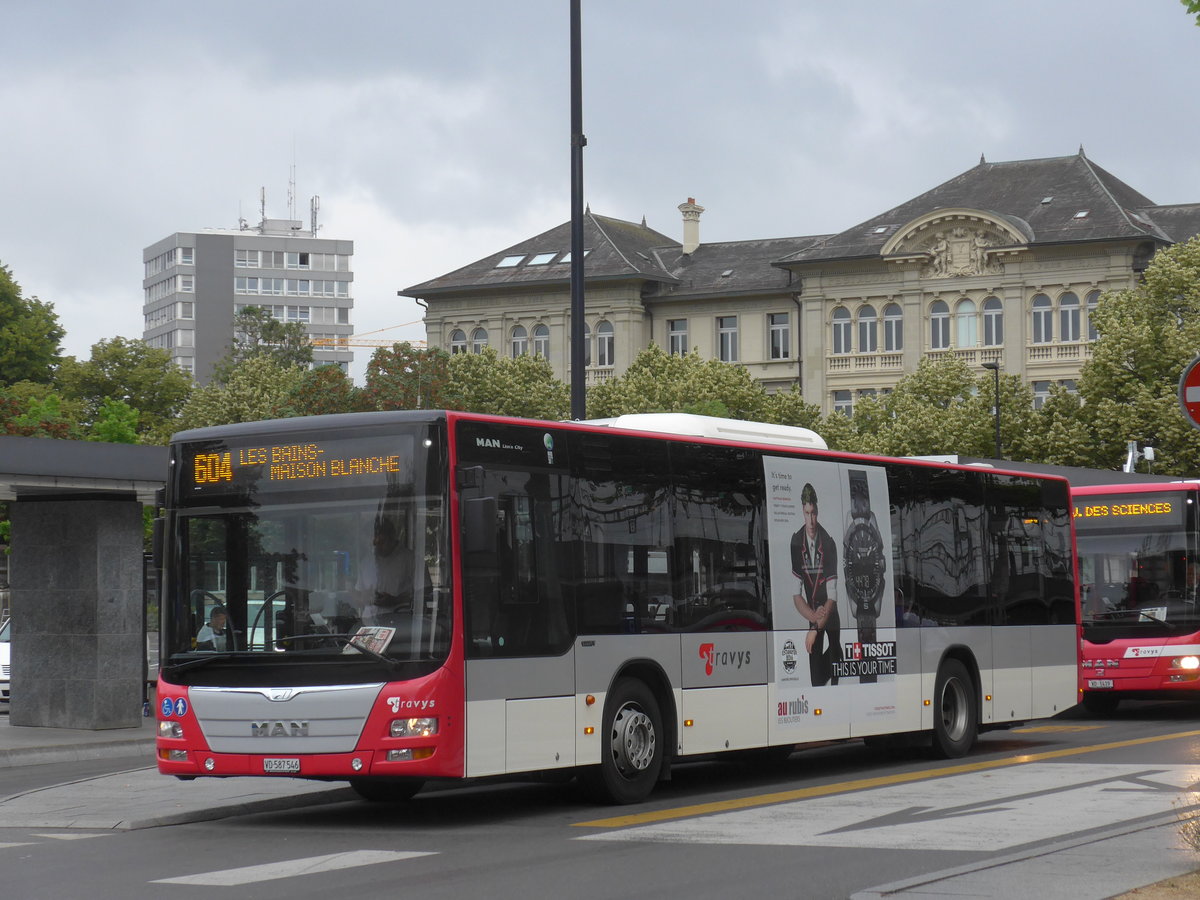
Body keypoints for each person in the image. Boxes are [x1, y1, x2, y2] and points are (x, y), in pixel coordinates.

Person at [790, 483, 843, 686]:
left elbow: (832, 596)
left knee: (835, 671)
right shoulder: (796, 542)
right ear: (802, 512)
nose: (811, 520)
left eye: (813, 513)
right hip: (813, 613)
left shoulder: (828, 543)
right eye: (807, 513)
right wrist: (813, 620)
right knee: (815, 678)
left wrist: (814, 628)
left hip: (830, 613)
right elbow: (796, 594)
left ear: (817, 512)